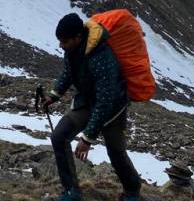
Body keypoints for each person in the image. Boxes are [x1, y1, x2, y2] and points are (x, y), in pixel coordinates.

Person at [42, 12, 142, 201]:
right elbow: (68, 73)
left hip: (113, 108)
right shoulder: (72, 50)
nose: (60, 45)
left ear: (78, 37)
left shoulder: (101, 56)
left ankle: (132, 191)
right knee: (59, 136)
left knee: (116, 152)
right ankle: (71, 191)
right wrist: (53, 96)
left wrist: (87, 139)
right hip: (86, 101)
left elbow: (105, 100)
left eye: (64, 41)